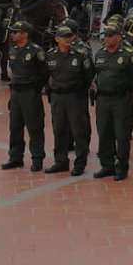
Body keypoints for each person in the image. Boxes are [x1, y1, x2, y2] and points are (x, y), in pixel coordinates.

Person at [92, 24, 133, 181]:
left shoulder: (128, 55)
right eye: (105, 35)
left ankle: (122, 167)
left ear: (118, 37)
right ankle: (107, 165)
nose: (107, 38)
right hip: (103, 99)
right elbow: (94, 75)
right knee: (104, 132)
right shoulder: (99, 54)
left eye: (110, 35)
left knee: (122, 134)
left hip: (120, 99)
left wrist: (127, 95)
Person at [44, 25, 93, 177]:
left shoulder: (80, 54)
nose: (67, 39)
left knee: (78, 131)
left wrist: (80, 91)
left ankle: (80, 163)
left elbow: (88, 75)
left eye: (69, 36)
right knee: (59, 129)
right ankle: (61, 161)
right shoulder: (51, 55)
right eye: (64, 36)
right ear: (57, 38)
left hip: (75, 97)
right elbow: (47, 75)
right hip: (58, 97)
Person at [0, 21, 48, 172]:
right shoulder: (13, 50)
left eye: (15, 32)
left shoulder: (36, 51)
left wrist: (34, 88)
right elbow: (13, 70)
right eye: (12, 32)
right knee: (15, 127)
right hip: (15, 93)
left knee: (34, 127)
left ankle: (37, 158)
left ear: (25, 34)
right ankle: (15, 157)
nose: (12, 34)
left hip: (30, 92)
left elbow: (44, 73)